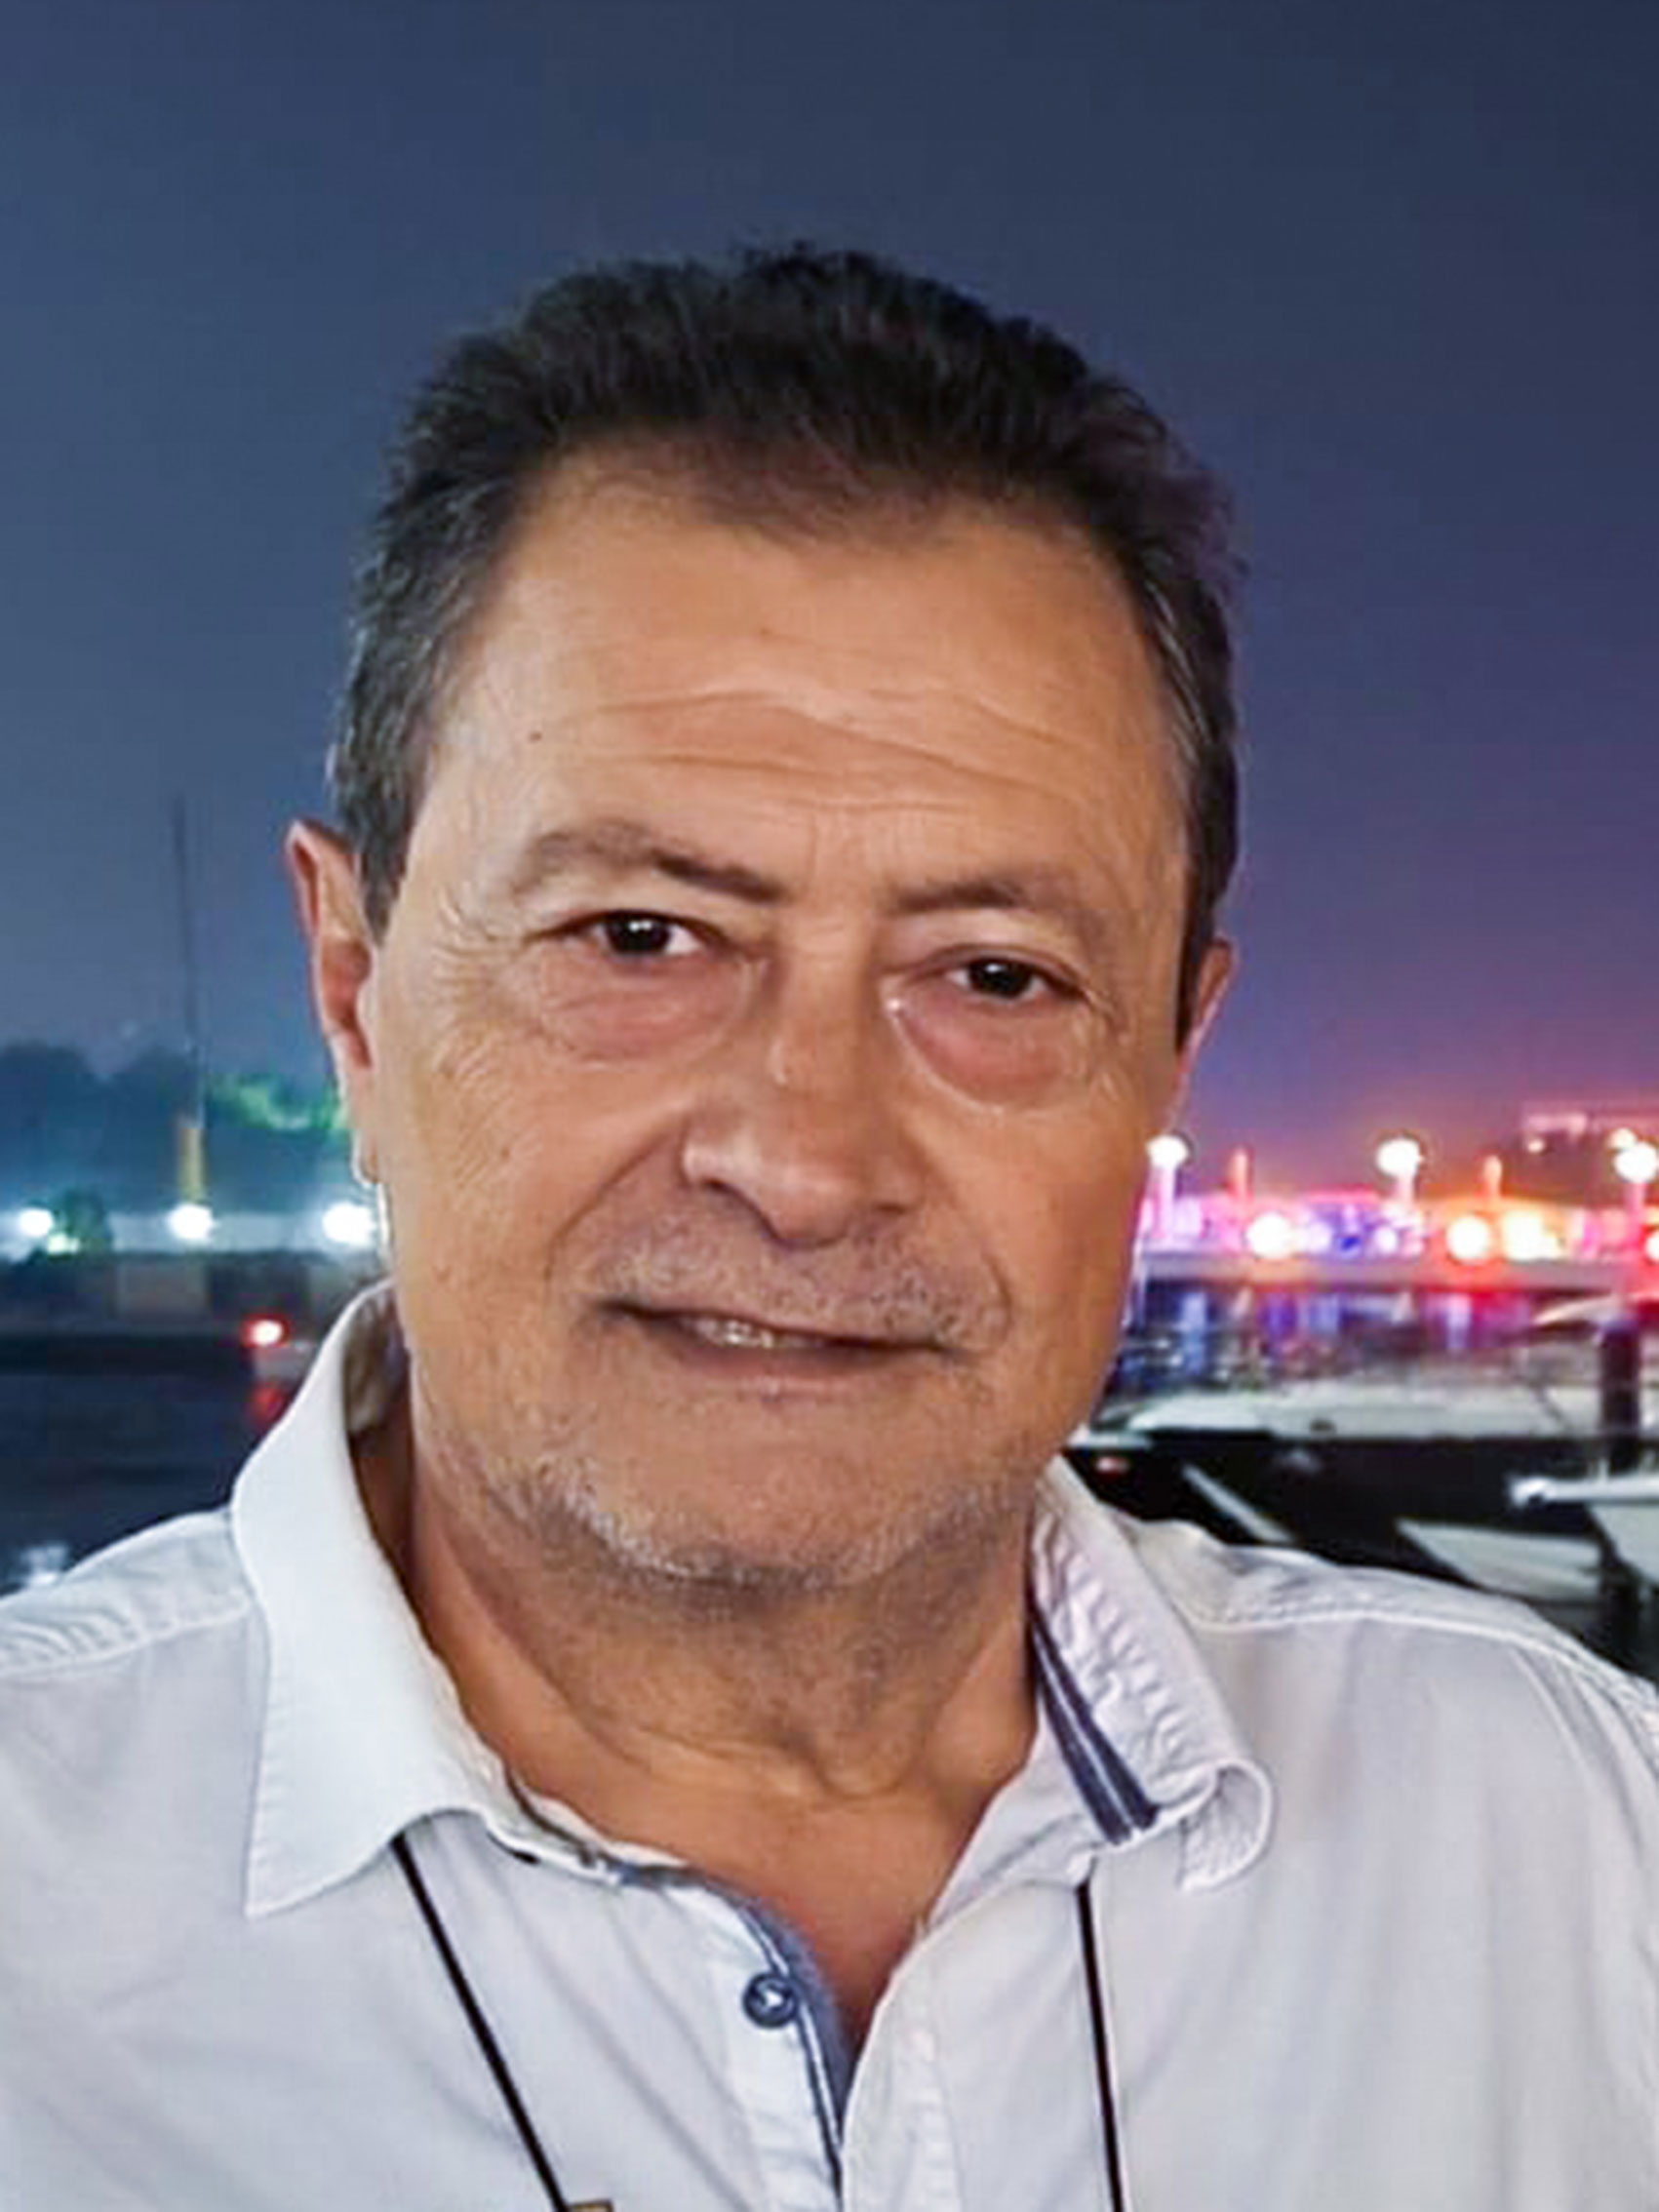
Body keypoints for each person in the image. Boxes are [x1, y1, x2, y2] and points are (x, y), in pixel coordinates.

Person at [1, 248, 1654, 2212]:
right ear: (352, 991)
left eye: (994, 976)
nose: (803, 1162)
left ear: (1168, 1051)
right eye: (640, 938)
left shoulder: (1568, 1853)